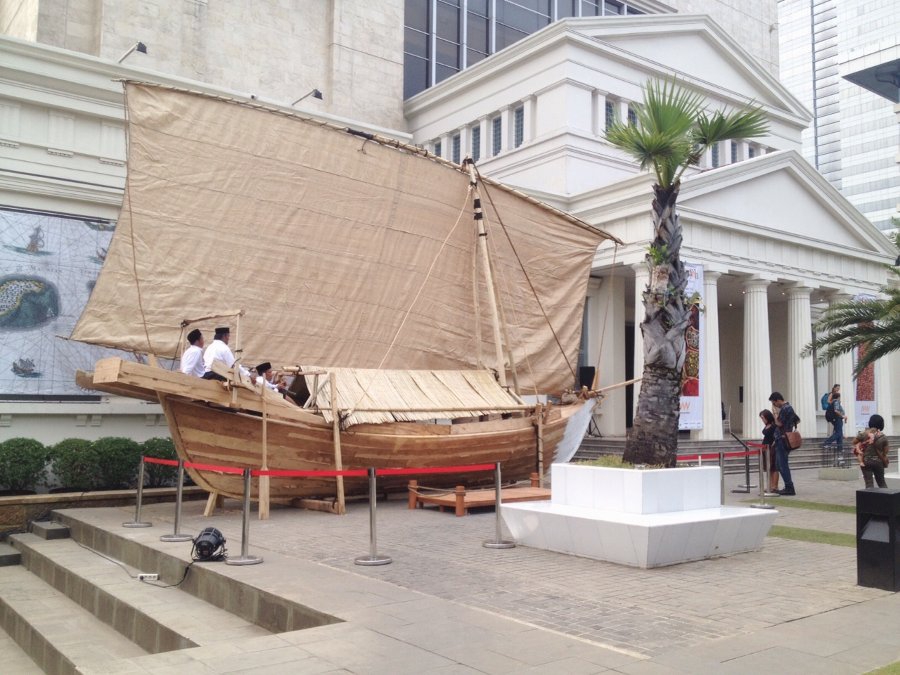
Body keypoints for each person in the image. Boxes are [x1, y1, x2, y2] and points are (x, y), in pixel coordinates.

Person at [769, 391, 797, 496]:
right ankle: (788, 486)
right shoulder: (788, 408)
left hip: (782, 439)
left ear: (778, 400)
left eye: (774, 403)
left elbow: (779, 423)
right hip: (782, 439)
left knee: (782, 464)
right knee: (779, 464)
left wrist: (775, 413)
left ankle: (789, 487)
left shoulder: (785, 408)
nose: (774, 405)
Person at [856, 414, 890, 489]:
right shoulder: (883, 437)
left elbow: (854, 442)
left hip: (866, 461)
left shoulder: (864, 434)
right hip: (878, 461)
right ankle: (886, 499)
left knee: (869, 484)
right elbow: (886, 451)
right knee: (882, 483)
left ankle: (870, 500)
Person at [822, 384, 847, 467]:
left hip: (837, 419)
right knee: (838, 433)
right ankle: (827, 443)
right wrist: (843, 416)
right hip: (837, 419)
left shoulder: (835, 401)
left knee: (839, 436)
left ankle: (840, 455)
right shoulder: (835, 401)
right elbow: (836, 410)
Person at [759, 409, 779, 495]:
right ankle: (770, 485)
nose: (762, 420)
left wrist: (773, 445)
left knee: (774, 467)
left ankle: (775, 486)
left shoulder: (774, 426)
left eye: (763, 418)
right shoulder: (767, 425)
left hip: (772, 448)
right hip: (765, 449)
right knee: (769, 468)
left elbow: (776, 436)